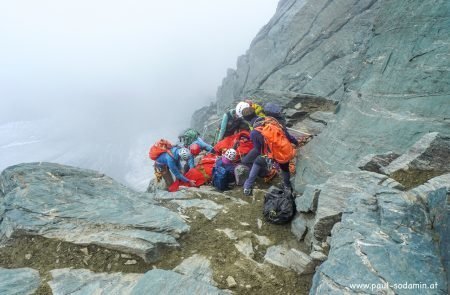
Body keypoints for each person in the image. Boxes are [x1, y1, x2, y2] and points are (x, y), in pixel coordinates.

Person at [240, 107, 298, 196]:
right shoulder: (271, 120)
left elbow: (259, 149)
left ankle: (247, 187)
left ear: (246, 120)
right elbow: (285, 133)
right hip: (283, 150)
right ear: (255, 113)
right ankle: (287, 187)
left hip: (271, 154)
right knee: (284, 168)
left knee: (257, 162)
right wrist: (295, 142)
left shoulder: (254, 132)